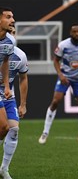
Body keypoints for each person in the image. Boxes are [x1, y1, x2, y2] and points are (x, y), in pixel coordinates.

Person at [38, 25, 78, 146]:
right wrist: (60, 75)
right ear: (70, 32)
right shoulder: (64, 45)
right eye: (74, 32)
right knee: (55, 102)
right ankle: (45, 132)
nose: (77, 34)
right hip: (65, 77)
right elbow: (56, 60)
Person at [0, 26, 28, 179]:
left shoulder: (21, 56)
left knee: (14, 129)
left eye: (13, 33)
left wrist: (23, 104)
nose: (11, 35)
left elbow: (23, 79)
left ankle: (4, 169)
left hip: (8, 95)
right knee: (3, 127)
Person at [0, 7, 16, 151]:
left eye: (13, 17)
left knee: (5, 127)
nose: (13, 20)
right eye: (8, 17)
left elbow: (5, 62)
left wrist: (6, 86)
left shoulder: (10, 41)